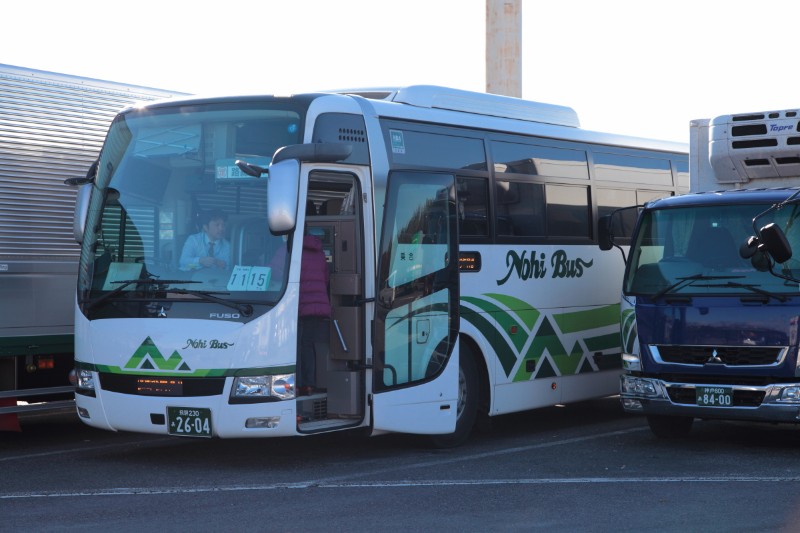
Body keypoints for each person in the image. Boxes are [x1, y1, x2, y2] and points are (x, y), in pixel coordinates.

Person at [298, 234, 330, 395]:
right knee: (308, 344)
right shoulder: (319, 252)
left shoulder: (291, 249)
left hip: (300, 305)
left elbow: (275, 273)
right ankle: (309, 384)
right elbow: (325, 278)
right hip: (318, 305)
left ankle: (296, 384)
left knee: (295, 345)